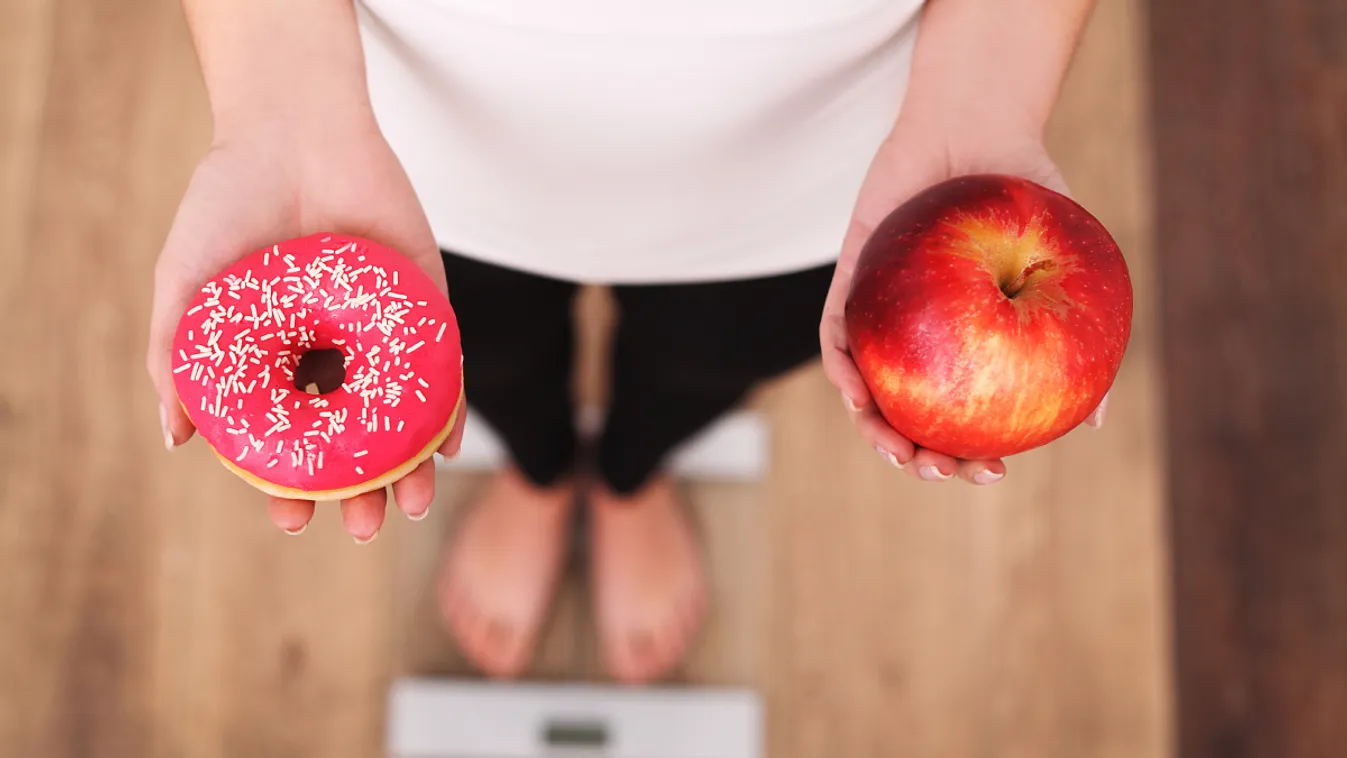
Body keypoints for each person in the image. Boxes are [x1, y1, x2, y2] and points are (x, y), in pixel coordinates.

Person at [147, 0, 1110, 684]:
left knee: (709, 359)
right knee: (489, 357)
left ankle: (630, 473)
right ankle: (538, 467)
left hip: (838, 165)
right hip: (390, 149)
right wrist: (276, 99)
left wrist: (984, 96)